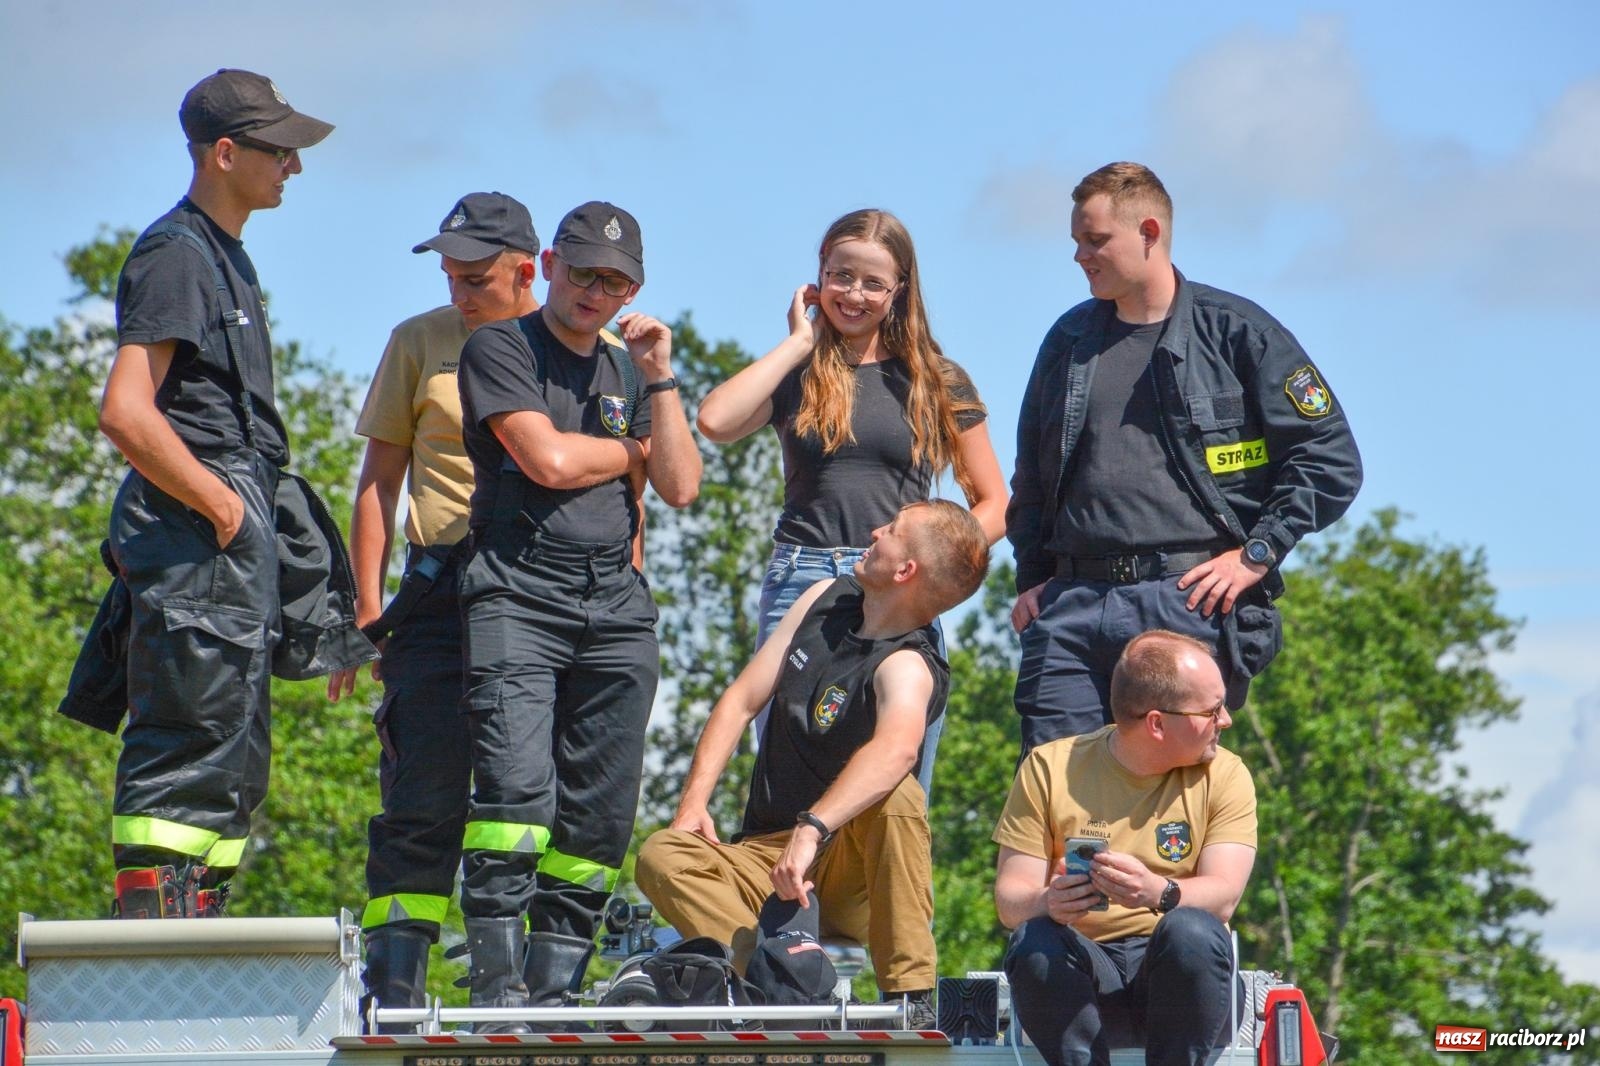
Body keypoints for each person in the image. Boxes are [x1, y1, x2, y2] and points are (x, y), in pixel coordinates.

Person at [94, 69, 356, 917]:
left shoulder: (224, 256)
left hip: (224, 548)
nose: (295, 168)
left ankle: (194, 936)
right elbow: (126, 411)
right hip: (195, 540)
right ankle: (151, 952)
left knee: (230, 759)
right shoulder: (178, 254)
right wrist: (216, 502)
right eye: (280, 151)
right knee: (186, 752)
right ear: (226, 152)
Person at [1007, 162, 1362, 755]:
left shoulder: (1237, 332)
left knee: (1171, 815)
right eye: (1076, 242)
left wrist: (1256, 555)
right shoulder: (1067, 342)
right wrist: (1033, 579)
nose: (1080, 257)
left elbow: (1330, 457)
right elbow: (1032, 475)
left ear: (1149, 232)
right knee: (1054, 803)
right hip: (1070, 607)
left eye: (1095, 241)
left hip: (1187, 603)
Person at [453, 201, 701, 1029]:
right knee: (519, 794)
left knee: (600, 812)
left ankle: (556, 989)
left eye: (617, 280)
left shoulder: (631, 373)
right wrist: (629, 452)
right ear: (550, 263)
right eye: (586, 271)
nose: (598, 291)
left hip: (616, 604)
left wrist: (661, 379)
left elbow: (681, 485)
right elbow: (549, 460)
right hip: (517, 591)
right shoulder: (499, 346)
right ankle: (496, 986)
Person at [636, 499, 991, 1031]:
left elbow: (898, 751)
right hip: (764, 857)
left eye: (891, 529)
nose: (874, 529)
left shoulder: (909, 665)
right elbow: (740, 700)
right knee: (661, 852)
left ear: (904, 570)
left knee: (898, 794)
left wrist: (813, 827)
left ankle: (910, 998)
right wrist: (692, 806)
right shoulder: (824, 598)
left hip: (848, 875)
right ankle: (780, 982)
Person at [695, 208, 1008, 794]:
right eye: (841, 276)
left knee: (892, 790)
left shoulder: (936, 378)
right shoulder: (800, 369)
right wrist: (796, 343)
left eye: (873, 283)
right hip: (801, 581)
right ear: (819, 276)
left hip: (899, 590)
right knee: (792, 782)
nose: (854, 294)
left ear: (899, 291)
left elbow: (993, 502)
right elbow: (714, 420)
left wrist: (927, 562)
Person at [331, 192, 542, 1023]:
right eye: (450, 275)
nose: (460, 292)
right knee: (419, 794)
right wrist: (365, 612)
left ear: (528, 271)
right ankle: (397, 992)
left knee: (521, 794)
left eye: (478, 278)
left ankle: (508, 987)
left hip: (536, 591)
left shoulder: (563, 342)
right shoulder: (418, 342)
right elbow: (379, 485)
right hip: (437, 591)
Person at [993, 630, 1257, 1066]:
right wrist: (1048, 901)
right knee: (1035, 939)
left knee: (1192, 929)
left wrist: (1159, 892)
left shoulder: (1227, 774)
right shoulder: (1049, 767)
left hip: (1183, 990)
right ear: (1157, 723)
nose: (1225, 720)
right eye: (1211, 710)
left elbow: (1225, 897)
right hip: (1086, 987)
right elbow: (1010, 903)